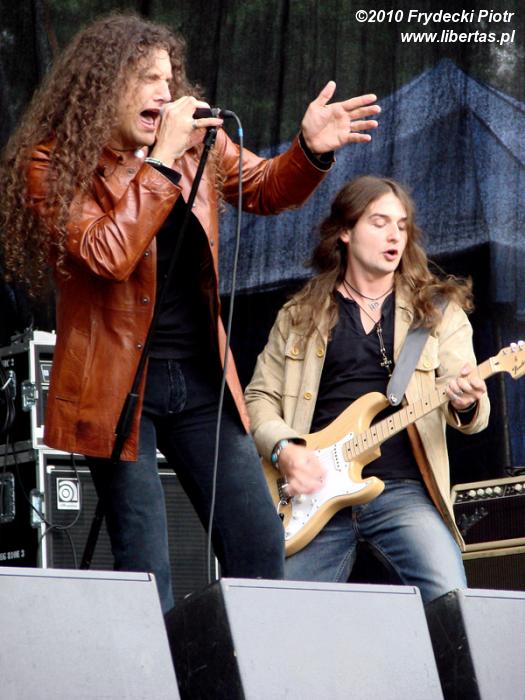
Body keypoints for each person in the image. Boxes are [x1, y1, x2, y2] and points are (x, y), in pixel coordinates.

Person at [0, 13, 380, 613]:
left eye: (167, 77)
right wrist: (159, 161)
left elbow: (265, 187)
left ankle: (244, 662)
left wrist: (309, 149)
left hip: (201, 378)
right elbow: (105, 253)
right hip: (118, 388)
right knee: (147, 566)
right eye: (144, 76)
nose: (163, 90)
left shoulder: (200, 145)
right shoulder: (53, 163)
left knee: (258, 543)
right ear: (102, 86)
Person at [245, 175, 490, 604]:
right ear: (345, 231)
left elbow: (469, 408)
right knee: (278, 614)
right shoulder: (299, 314)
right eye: (379, 222)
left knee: (453, 600)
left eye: (401, 225)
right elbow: (258, 398)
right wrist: (286, 450)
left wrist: (467, 401)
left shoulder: (437, 310)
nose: (394, 235)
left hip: (403, 491)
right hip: (313, 495)